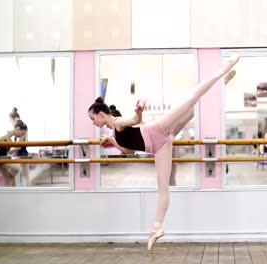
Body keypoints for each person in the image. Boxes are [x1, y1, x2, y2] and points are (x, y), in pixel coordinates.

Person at [88, 55, 240, 250]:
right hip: (159, 146)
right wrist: (112, 141)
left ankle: (222, 71)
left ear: (101, 114)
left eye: (93, 118)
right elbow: (128, 150)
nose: (93, 123)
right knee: (163, 189)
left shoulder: (117, 123)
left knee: (190, 100)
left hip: (158, 129)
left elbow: (134, 120)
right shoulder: (115, 133)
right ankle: (156, 228)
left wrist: (139, 112)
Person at [0, 120, 29, 186]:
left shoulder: (9, 136)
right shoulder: (7, 135)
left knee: (8, 179)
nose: (21, 136)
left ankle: (10, 194)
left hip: (3, 158)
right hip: (0, 159)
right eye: (22, 133)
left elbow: (16, 146)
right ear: (18, 129)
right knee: (17, 167)